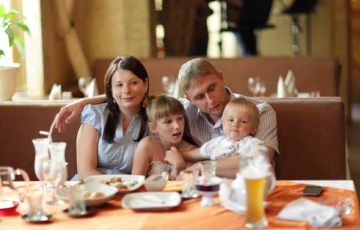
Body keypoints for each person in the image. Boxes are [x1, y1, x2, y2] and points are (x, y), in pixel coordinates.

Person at [55, 58, 278, 179]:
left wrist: (198, 168)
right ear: (187, 97)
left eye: (212, 88)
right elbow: (132, 96)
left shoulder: (260, 111)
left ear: (221, 78)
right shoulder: (183, 110)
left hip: (247, 188)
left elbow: (260, 163)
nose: (210, 101)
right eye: (199, 96)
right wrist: (83, 102)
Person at [74, 56, 149, 179]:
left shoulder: (154, 120)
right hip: (92, 190)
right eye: (119, 85)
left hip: (130, 192)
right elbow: (85, 172)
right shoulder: (95, 115)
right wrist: (119, 186)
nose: (126, 90)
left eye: (133, 83)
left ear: (145, 85)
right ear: (111, 90)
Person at [132, 95, 196, 179]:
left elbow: (188, 189)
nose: (177, 126)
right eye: (168, 121)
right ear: (153, 128)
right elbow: (135, 183)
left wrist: (179, 168)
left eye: (180, 118)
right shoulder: (146, 146)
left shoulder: (194, 152)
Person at [181, 97, 264, 162]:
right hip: (215, 181)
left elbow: (257, 161)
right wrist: (179, 155)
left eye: (243, 121)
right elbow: (197, 154)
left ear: (253, 129)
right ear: (223, 124)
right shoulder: (216, 143)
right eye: (231, 120)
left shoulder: (252, 143)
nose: (235, 124)